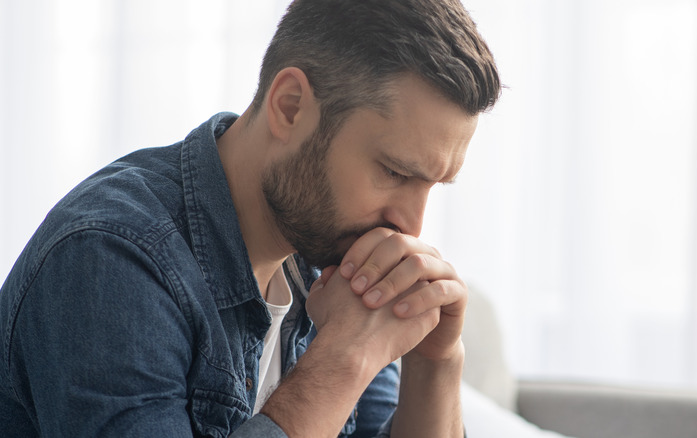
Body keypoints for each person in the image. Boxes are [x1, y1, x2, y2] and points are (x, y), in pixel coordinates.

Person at [0, 0, 501, 436]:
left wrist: (435, 361)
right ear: (290, 106)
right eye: (393, 171)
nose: (411, 226)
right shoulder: (111, 258)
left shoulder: (327, 257)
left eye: (433, 185)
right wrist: (344, 359)